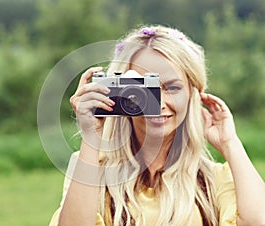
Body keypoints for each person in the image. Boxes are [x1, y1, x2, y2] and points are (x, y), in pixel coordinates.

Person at [49, 25, 265, 226]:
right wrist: (92, 136)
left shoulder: (215, 179)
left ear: (193, 95)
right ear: (118, 91)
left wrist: (230, 143)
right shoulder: (92, 167)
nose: (159, 103)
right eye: (144, 89)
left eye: (172, 87)